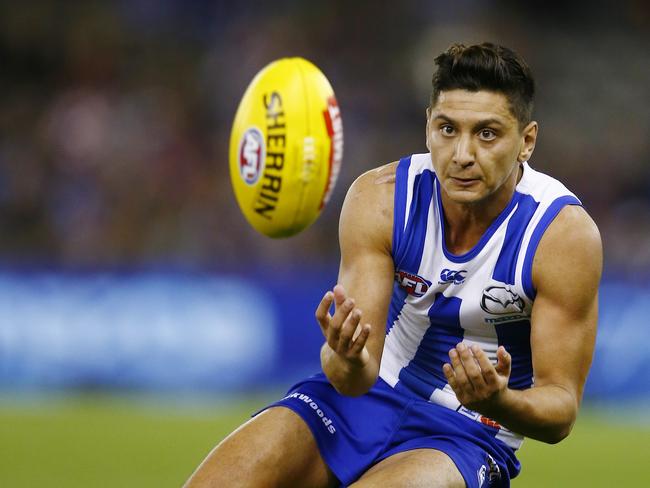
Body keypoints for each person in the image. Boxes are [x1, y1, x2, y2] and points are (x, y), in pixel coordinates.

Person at [184, 42, 602, 487]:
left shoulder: (561, 236)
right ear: (427, 127)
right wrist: (345, 356)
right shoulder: (381, 199)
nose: (461, 153)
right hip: (362, 400)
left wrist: (496, 401)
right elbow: (355, 377)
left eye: (486, 133)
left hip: (467, 433)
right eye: (447, 129)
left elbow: (560, 409)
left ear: (527, 141)